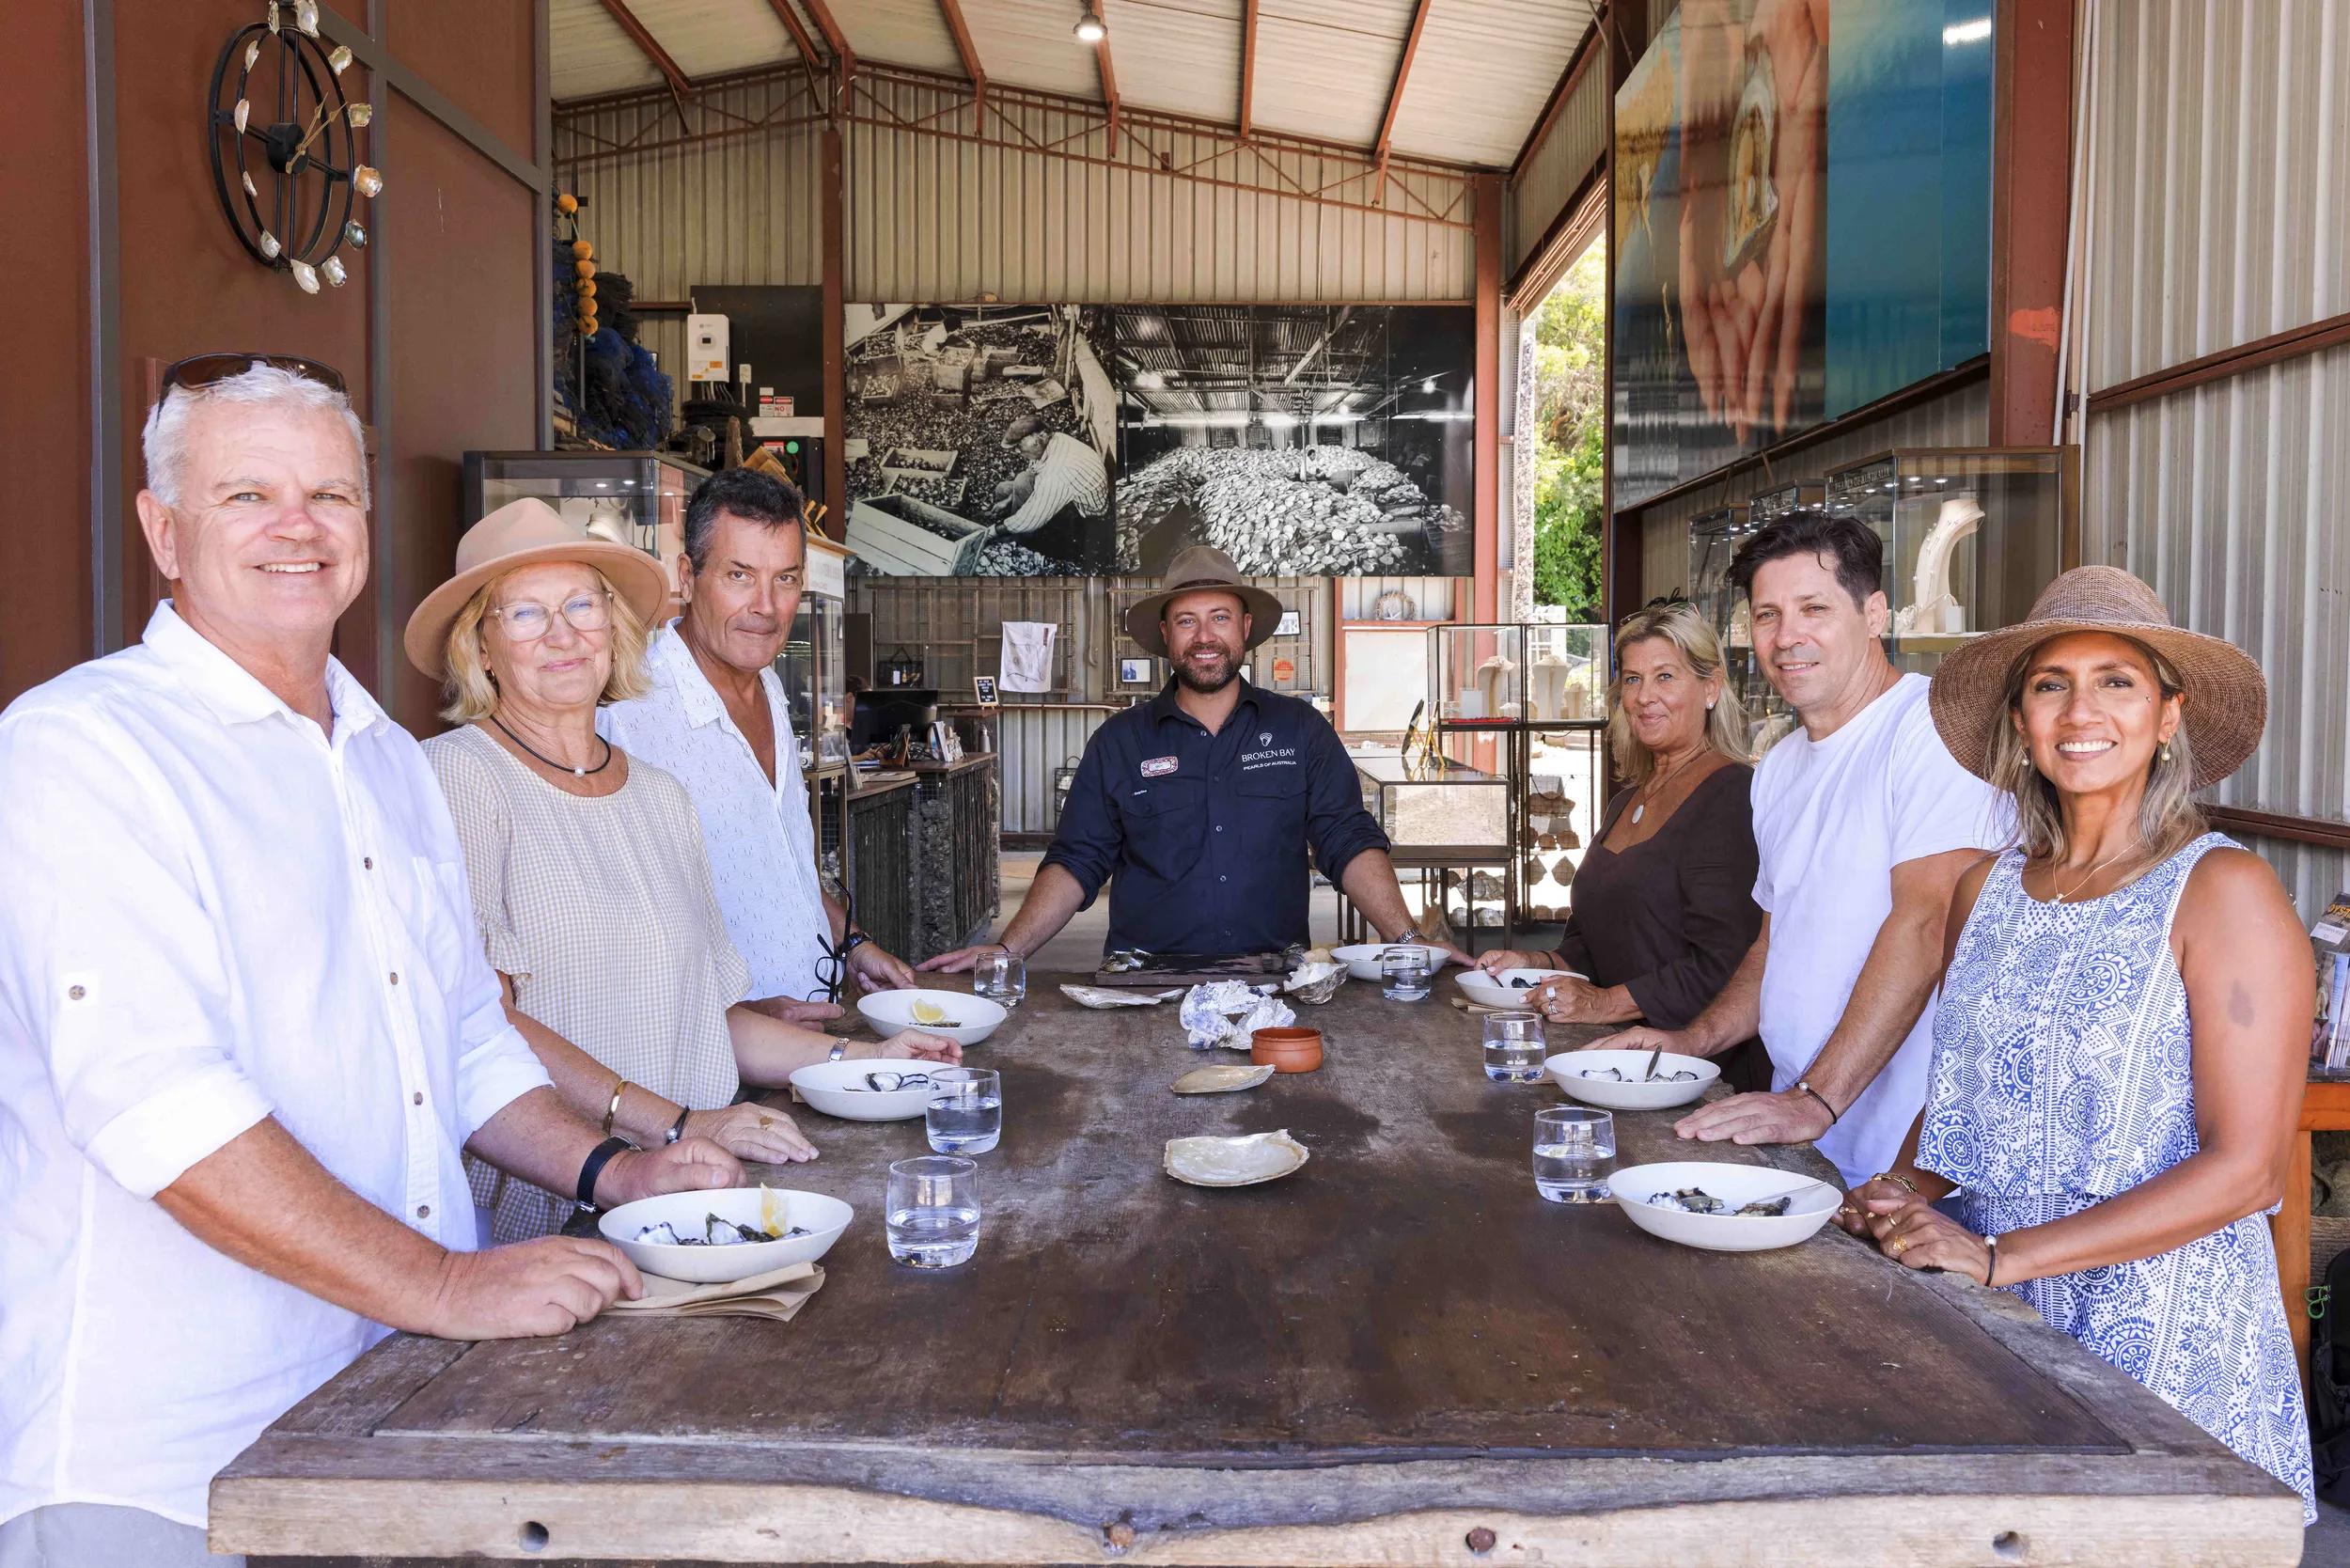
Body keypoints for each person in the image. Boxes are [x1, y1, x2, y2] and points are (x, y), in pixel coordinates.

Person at [0, 356, 738, 1567]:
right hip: (162, 1461)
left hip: (378, 1413)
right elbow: (154, 1106)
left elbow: (462, 1040)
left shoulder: (382, 756)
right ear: (164, 531)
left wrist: (618, 1173)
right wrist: (448, 1287)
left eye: (330, 498)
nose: (298, 528)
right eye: (247, 496)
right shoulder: (85, 747)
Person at [1842, 566, 2315, 1522]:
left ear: (2168, 715)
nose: (2079, 710)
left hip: (2159, 1332)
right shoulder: (1987, 889)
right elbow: (1973, 1096)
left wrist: (2001, 1258)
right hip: (2000, 1326)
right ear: (2020, 718)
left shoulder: (2223, 892)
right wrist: (1904, 1191)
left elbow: (2248, 1169)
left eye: (2116, 681)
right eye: (2050, 683)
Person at [406, 499, 958, 1244]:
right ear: (481, 645)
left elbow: (712, 1017)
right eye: (526, 615)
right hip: (559, 1202)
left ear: (613, 625)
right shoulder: (455, 778)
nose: (564, 635)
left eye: (580, 605)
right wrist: (674, 1126)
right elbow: (486, 1026)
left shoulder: (659, 795)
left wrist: (863, 1059)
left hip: (695, 1184)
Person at [1585, 512, 2005, 1187]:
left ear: (1873, 614)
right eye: (1767, 615)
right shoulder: (1779, 766)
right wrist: (1691, 1043)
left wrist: (1818, 1100)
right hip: (1794, 1132)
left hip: (1902, 1159)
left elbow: (1928, 926)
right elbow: (1771, 946)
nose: (1787, 638)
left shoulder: (1929, 732)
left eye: (1814, 608)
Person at [923, 546, 1449, 971]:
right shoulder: (1120, 742)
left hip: (1273, 978)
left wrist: (1405, 941)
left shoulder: (1301, 730)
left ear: (1245, 628)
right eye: (1186, 622)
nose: (1204, 637)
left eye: (1219, 618)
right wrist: (1008, 951)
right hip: (1144, 979)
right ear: (1166, 638)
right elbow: (1078, 861)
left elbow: (1346, 840)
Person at [604, 468, 920, 1022]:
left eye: (786, 579)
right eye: (740, 575)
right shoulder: (630, 712)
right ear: (687, 575)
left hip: (810, 1032)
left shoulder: (771, 685)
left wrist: (851, 943)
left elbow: (782, 864)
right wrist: (742, 1014)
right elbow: (616, 923)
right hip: (706, 1061)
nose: (768, 607)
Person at [1472, 602, 1769, 1090]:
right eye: (1632, 680)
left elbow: (1725, 964)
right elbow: (1596, 943)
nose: (1645, 697)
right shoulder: (1628, 799)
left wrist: (1605, 1003)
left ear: (1711, 688)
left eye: (1665, 677)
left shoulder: (1731, 795)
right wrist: (1534, 962)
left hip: (1693, 1071)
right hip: (1615, 1059)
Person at [966, 417, 1112, 572]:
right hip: (1070, 494)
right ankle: (1011, 520)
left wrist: (992, 532)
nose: (1016, 452)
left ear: (1039, 437)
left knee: (1023, 494)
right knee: (1004, 489)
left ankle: (1021, 541)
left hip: (1086, 521)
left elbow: (1030, 519)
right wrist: (1009, 500)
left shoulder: (1057, 473)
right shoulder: (1054, 440)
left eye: (1019, 446)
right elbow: (1034, 471)